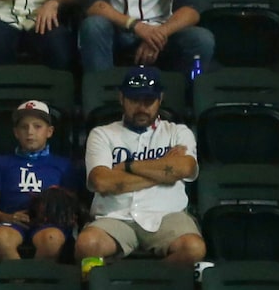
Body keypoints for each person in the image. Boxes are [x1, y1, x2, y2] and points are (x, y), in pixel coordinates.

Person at [77, 68, 204, 266]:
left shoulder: (177, 132)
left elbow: (185, 168)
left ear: (160, 99)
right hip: (115, 217)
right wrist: (164, 172)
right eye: (135, 100)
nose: (142, 107)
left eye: (148, 101)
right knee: (87, 245)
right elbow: (101, 182)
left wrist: (127, 166)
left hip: (167, 216)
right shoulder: (102, 134)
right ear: (122, 98)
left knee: (193, 249)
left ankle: (148, 280)